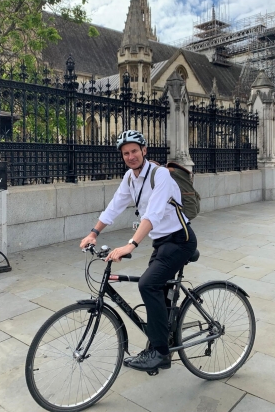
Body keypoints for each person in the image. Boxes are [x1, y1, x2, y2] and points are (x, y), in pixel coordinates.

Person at [79, 130, 197, 373]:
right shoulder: (130, 178)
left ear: (144, 150)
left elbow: (152, 215)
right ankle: (161, 342)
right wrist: (94, 232)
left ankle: (160, 353)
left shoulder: (160, 175)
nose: (131, 156)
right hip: (162, 243)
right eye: (126, 153)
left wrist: (130, 245)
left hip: (180, 240)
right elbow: (115, 206)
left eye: (134, 151)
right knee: (158, 291)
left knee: (147, 285)